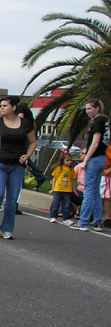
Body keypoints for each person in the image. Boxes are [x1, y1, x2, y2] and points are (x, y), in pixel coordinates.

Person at [0, 96, 36, 239]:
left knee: (12, 199)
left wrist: (27, 155)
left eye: (5, 105)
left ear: (14, 107)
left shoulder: (25, 124)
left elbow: (32, 142)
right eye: (1, 105)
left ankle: (6, 228)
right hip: (0, 164)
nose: (2, 108)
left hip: (17, 165)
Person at [71, 99, 107, 232]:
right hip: (102, 158)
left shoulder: (98, 122)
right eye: (86, 109)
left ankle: (84, 221)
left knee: (89, 191)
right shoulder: (105, 122)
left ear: (97, 108)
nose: (88, 112)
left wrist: (86, 160)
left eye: (90, 108)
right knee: (96, 191)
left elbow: (95, 143)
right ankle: (97, 222)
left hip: (95, 158)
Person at [49, 150, 78, 225]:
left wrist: (74, 189)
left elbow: (72, 180)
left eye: (70, 160)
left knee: (66, 205)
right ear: (63, 160)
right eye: (67, 160)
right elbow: (55, 178)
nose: (69, 162)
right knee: (56, 203)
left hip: (67, 190)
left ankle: (66, 218)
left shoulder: (71, 170)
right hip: (58, 189)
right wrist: (53, 188)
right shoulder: (59, 168)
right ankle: (53, 216)